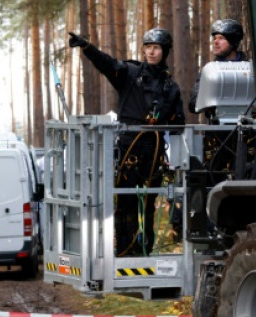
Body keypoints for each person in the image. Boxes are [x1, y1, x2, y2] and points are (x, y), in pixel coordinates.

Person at [68, 28, 185, 256]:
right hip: (128, 150)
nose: (151, 52)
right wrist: (87, 47)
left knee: (149, 206)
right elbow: (106, 64)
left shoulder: (170, 87)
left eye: (156, 48)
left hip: (154, 152)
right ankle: (124, 252)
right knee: (126, 204)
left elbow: (178, 124)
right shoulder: (129, 74)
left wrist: (172, 151)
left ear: (165, 51)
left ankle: (145, 252)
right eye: (148, 47)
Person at [188, 19, 248, 120]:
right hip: (217, 127)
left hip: (247, 126)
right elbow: (193, 105)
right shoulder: (209, 71)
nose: (215, 42)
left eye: (221, 38)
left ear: (233, 41)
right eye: (215, 38)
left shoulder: (250, 69)